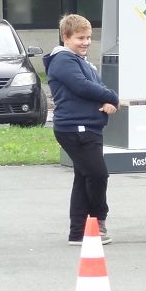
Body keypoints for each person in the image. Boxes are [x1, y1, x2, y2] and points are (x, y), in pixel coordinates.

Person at [45, 14, 119, 245]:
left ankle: (77, 232)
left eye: (88, 37)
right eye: (80, 38)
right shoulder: (63, 60)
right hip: (75, 128)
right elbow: (83, 87)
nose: (86, 42)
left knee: (83, 177)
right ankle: (97, 221)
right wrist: (113, 97)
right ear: (65, 37)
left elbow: (97, 86)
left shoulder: (83, 62)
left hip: (90, 127)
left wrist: (107, 101)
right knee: (98, 175)